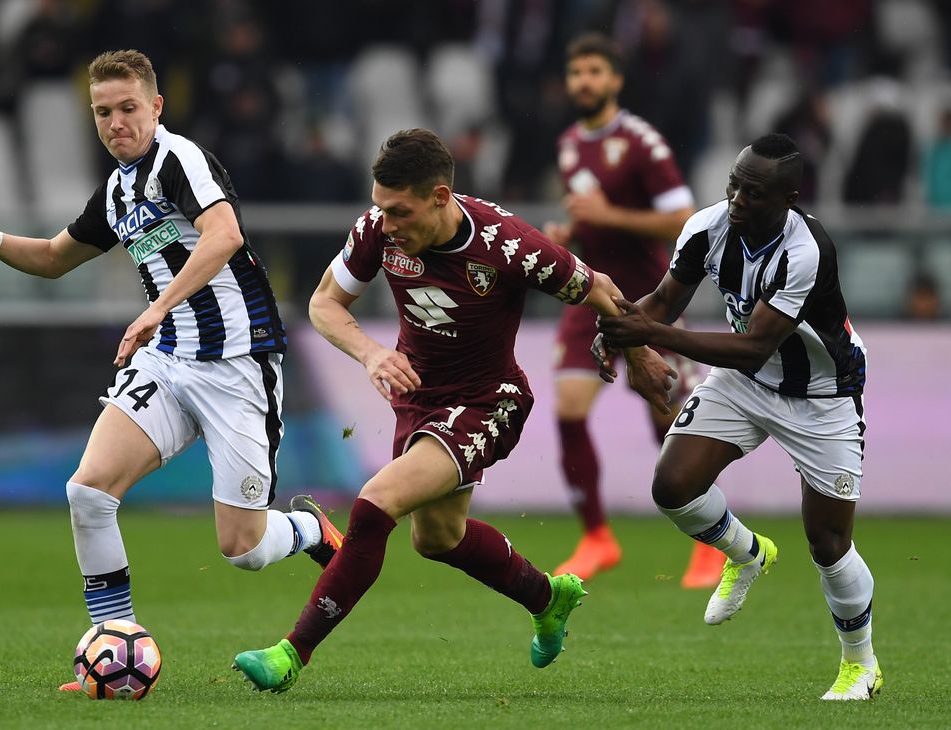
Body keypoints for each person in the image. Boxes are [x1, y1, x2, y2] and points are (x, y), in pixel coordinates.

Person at [0, 49, 343, 690]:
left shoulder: (181, 160)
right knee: (88, 492)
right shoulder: (117, 190)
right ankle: (113, 639)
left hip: (239, 362)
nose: (116, 122)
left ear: (156, 106)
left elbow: (224, 234)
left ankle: (306, 526)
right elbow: (53, 257)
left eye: (127, 108)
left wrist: (156, 308)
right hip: (170, 362)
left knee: (243, 550)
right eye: (102, 112)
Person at [231, 128, 677, 693]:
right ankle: (548, 597)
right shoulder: (377, 230)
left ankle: (289, 655)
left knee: (373, 507)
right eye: (381, 209)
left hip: (490, 400)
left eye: (400, 211)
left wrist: (638, 352)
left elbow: (601, 287)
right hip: (418, 400)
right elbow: (324, 302)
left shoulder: (509, 244)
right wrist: (370, 353)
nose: (387, 224)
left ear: (441, 196)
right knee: (437, 538)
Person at [597, 133, 882, 701]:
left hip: (822, 395)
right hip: (745, 383)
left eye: (751, 192)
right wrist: (621, 336)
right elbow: (662, 303)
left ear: (787, 198)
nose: (736, 198)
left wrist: (650, 336)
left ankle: (861, 665)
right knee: (672, 486)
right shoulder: (707, 227)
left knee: (828, 542)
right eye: (733, 183)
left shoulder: (807, 251)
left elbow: (754, 344)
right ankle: (746, 552)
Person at [543, 32, 724, 586]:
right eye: (577, 73)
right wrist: (570, 231)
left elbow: (684, 217)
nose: (585, 82)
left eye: (595, 71)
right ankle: (596, 537)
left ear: (616, 79)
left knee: (667, 419)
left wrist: (608, 214)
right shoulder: (571, 141)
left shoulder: (643, 142)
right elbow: (592, 214)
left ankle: (710, 541)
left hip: (649, 298)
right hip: (589, 291)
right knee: (568, 407)